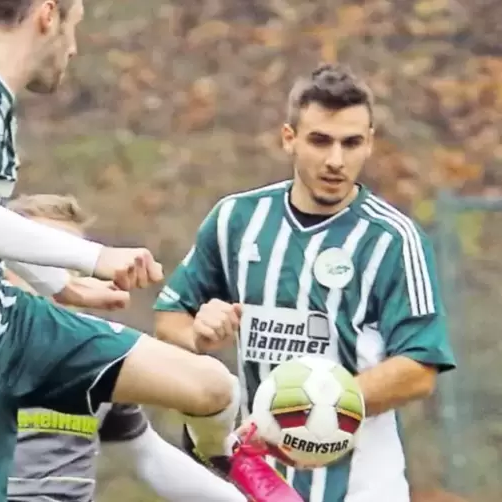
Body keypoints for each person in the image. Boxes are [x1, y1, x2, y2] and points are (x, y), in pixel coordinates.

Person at [0, 1, 242, 500]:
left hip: (5, 320)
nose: (74, 47)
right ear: (47, 13)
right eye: (74, 27)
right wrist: (92, 257)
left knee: (212, 388)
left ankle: (230, 457)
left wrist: (55, 283)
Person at [153, 63, 457, 502]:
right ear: (289, 138)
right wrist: (198, 333)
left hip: (362, 486)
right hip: (254, 480)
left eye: (351, 143)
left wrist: (308, 414)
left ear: (369, 144)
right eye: (320, 140)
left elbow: (419, 370)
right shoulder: (237, 220)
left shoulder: (394, 239)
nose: (336, 159)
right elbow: (170, 317)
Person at [0, 194, 246, 502]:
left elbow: (148, 457)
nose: (60, 281)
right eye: (43, 262)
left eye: (72, 268)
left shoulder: (101, 363)